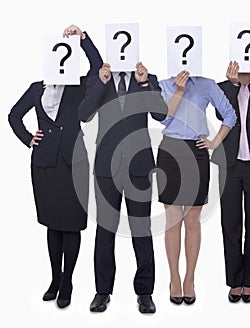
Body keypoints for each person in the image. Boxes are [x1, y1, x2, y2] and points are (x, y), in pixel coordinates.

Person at [8, 24, 103, 309]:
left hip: (73, 163)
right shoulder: (37, 88)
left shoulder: (78, 87)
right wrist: (28, 139)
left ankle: (68, 282)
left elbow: (98, 67)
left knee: (71, 225)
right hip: (45, 164)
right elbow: (13, 115)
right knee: (52, 224)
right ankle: (54, 278)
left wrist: (83, 38)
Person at [77, 62, 168, 313]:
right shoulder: (98, 79)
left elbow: (161, 114)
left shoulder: (148, 79)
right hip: (107, 168)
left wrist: (144, 82)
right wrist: (102, 83)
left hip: (139, 166)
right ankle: (102, 292)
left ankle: (145, 293)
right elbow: (83, 114)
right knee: (105, 231)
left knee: (142, 230)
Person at [156, 70, 237, 305]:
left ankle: (190, 278)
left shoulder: (207, 85)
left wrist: (214, 142)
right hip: (170, 150)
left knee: (192, 220)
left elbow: (230, 115)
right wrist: (179, 91)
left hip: (197, 151)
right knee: (173, 220)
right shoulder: (163, 84)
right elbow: (162, 119)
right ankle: (174, 278)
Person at [211, 60, 250, 303]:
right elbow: (222, 115)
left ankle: (249, 281)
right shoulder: (223, 87)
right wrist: (232, 85)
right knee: (230, 222)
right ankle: (234, 281)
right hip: (230, 163)